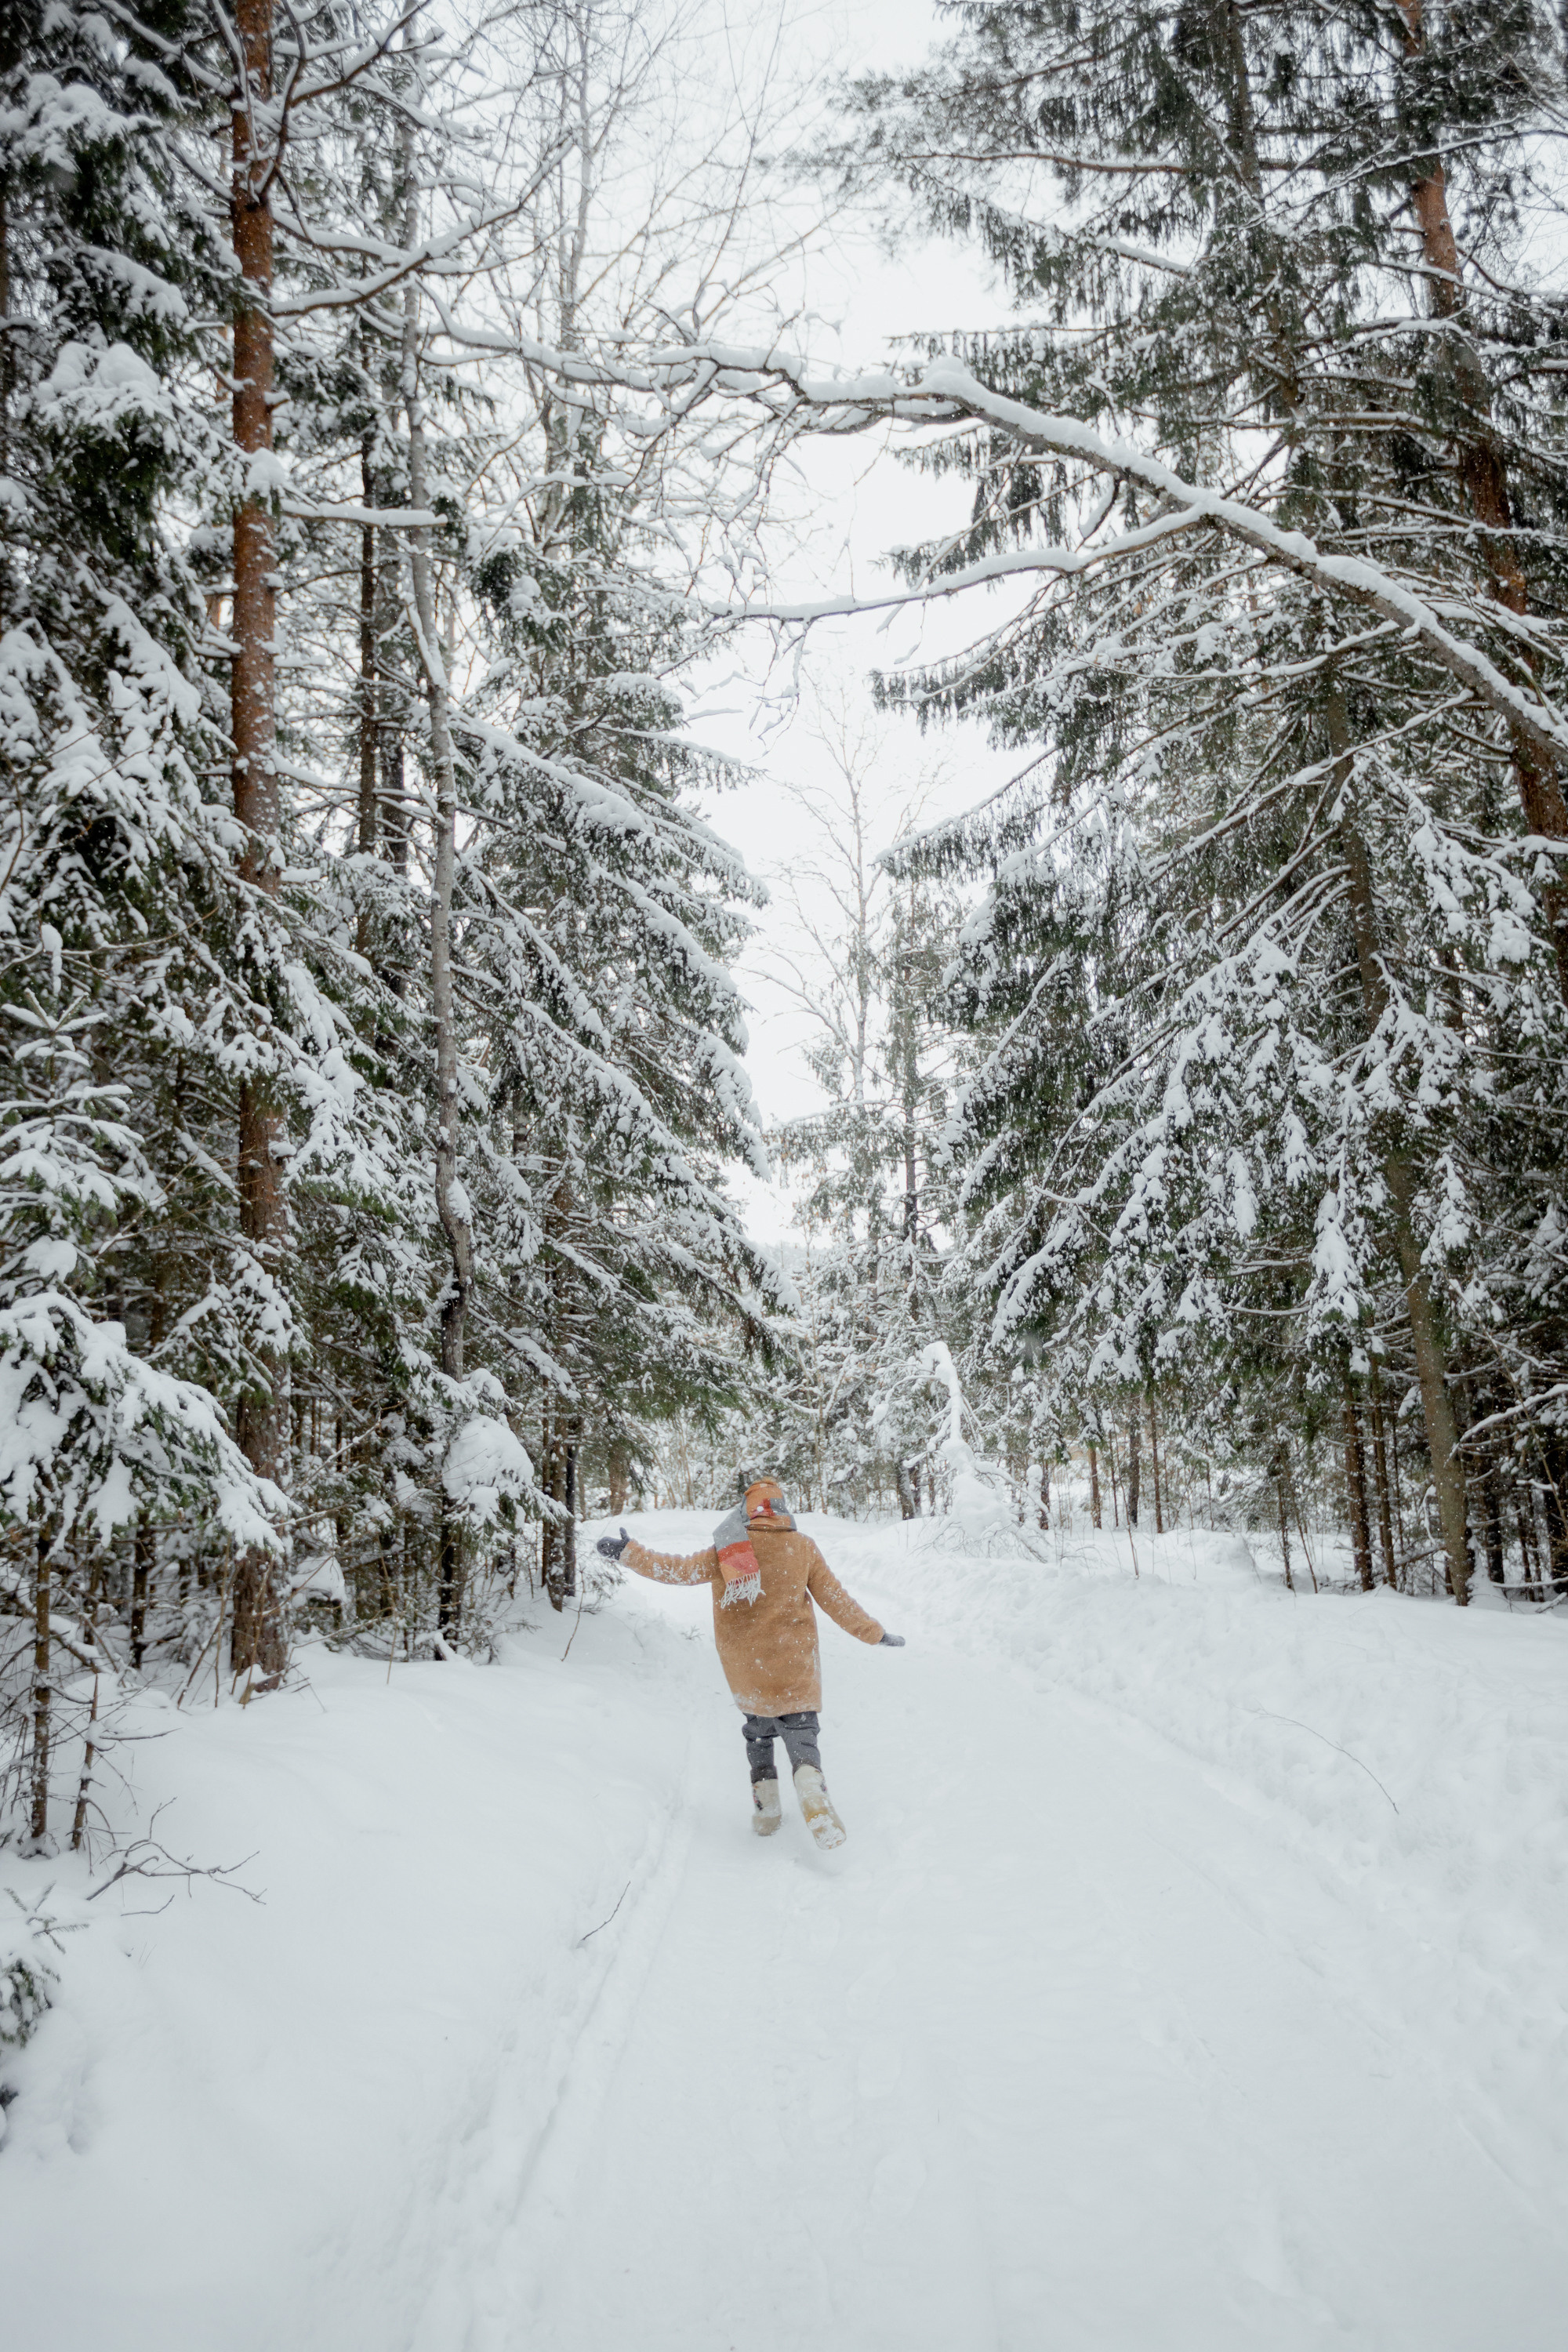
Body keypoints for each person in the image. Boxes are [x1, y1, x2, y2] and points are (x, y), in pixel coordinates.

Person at [596, 1478, 904, 1848]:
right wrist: (875, 1634)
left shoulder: (729, 1548)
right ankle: (812, 1791)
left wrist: (628, 1552)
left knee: (758, 1734)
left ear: (747, 1511)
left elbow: (677, 1570)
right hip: (794, 1664)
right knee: (802, 1733)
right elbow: (836, 1600)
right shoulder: (802, 1547)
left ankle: (767, 1811)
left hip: (747, 1667)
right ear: (782, 1510)